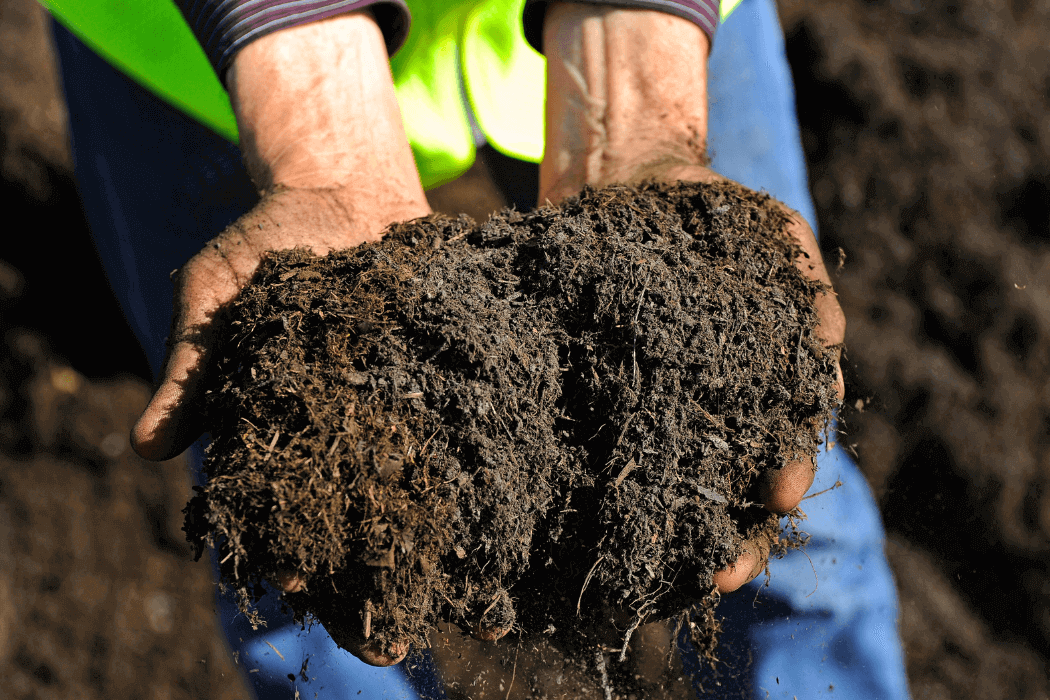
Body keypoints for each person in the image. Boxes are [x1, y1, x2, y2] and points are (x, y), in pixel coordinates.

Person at [50, 0, 911, 697]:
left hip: (667, 34)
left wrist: (641, 61)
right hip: (214, 54)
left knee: (768, 468)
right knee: (307, 539)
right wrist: (314, 130)